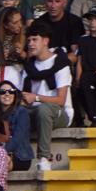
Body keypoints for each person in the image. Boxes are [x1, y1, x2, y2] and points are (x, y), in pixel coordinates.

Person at [18, 23, 72, 171]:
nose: (30, 44)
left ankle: (44, 158)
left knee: (43, 109)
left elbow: (61, 100)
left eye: (34, 40)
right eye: (28, 41)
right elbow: (23, 94)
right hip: (33, 110)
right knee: (15, 112)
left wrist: (35, 98)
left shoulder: (60, 64)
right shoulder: (29, 66)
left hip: (59, 113)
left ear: (45, 41)